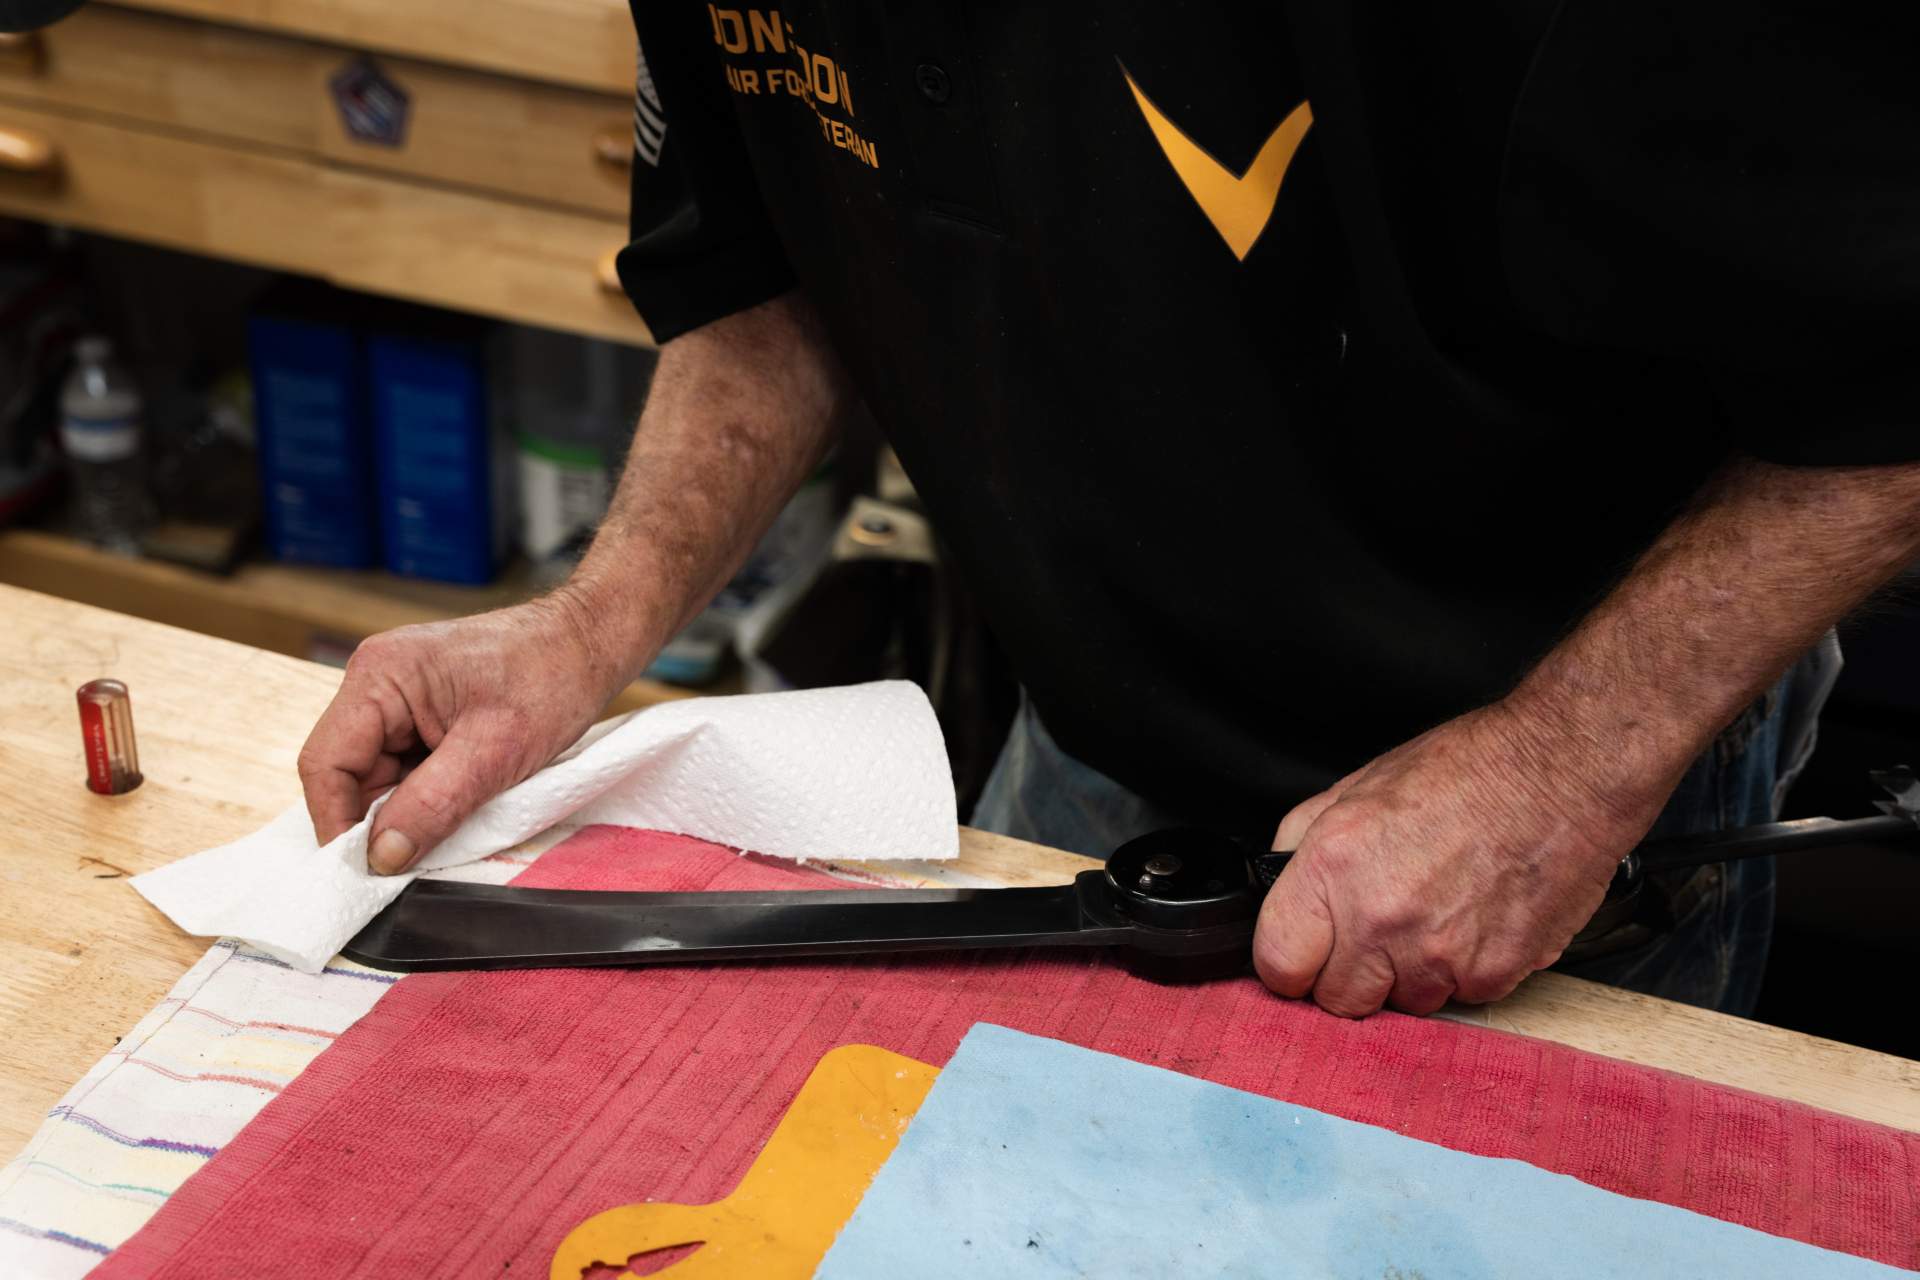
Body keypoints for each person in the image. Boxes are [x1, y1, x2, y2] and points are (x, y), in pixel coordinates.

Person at [297, 2, 1920, 1018]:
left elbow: (1882, 401)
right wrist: (587, 629)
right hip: (1102, 748)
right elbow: (770, 277)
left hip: (1552, 791)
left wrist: (1558, 774)